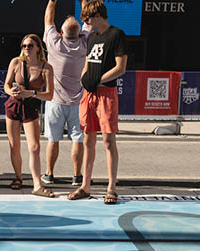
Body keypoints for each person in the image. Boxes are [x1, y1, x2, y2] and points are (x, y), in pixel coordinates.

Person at [68, 0, 126, 204]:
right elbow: (87, 61)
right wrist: (85, 78)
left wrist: (98, 79)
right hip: (89, 94)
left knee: (108, 141)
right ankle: (85, 186)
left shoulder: (116, 34)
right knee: (88, 140)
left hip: (106, 94)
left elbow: (121, 67)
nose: (87, 22)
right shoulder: (92, 37)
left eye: (88, 18)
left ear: (98, 16)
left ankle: (111, 188)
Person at [42, 0, 89, 187]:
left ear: (61, 33)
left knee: (53, 140)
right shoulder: (84, 44)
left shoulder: (54, 44)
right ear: (79, 34)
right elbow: (88, 20)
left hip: (55, 101)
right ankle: (77, 177)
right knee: (78, 139)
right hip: (78, 102)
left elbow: (48, 19)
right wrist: (84, 2)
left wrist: (52, 1)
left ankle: (49, 174)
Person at [3, 34, 55, 196]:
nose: (26, 48)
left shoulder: (46, 68)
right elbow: (6, 84)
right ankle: (18, 177)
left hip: (31, 108)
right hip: (13, 106)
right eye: (24, 46)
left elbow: (49, 95)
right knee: (14, 145)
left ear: (38, 48)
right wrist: (10, 91)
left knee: (34, 146)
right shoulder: (16, 62)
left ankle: (37, 184)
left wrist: (30, 93)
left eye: (30, 46)